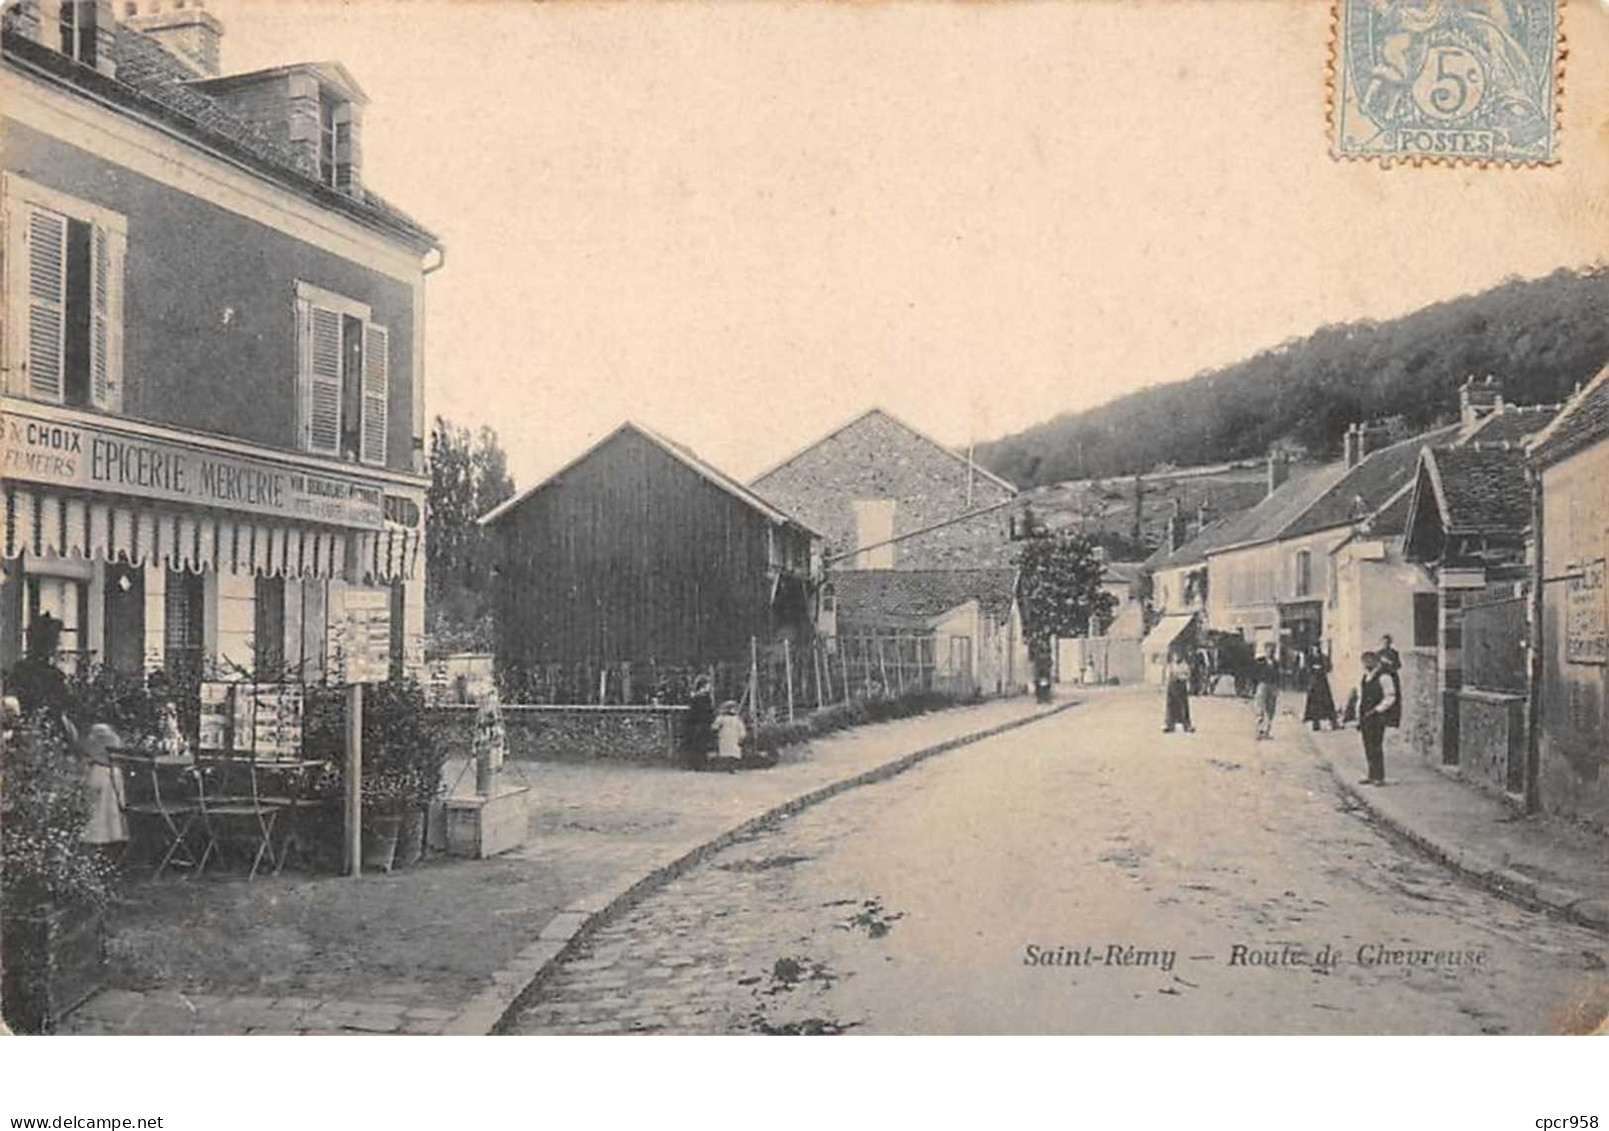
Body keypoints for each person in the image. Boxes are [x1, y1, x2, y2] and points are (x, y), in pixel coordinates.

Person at [78, 721, 129, 861]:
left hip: (99, 773)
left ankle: (99, 855)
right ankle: (103, 855)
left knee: (99, 817)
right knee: (106, 818)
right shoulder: (109, 738)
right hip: (108, 774)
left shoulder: (93, 738)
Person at [1356, 650, 1401, 785]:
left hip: (1376, 716)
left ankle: (1379, 777)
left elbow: (1390, 696)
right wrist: (1359, 712)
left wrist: (1378, 710)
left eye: (1369, 661)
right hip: (1365, 715)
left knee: (1376, 745)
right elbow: (1361, 697)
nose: (1366, 664)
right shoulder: (1366, 677)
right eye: (1364, 661)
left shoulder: (1384, 677)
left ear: (1375, 661)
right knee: (1367, 745)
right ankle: (1371, 774)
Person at [682, 675, 715, 770]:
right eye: (708, 685)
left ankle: (699, 764)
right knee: (698, 745)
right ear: (703, 686)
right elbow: (702, 711)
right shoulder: (700, 698)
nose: (709, 687)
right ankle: (697, 765)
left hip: (700, 724)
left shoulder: (701, 698)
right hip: (698, 724)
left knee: (700, 745)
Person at [1302, 646, 1339, 731]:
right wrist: (1314, 669)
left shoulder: (1323, 657)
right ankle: (1316, 723)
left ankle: (1333, 722)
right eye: (1313, 649)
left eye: (1316, 648)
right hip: (1314, 683)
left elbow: (1328, 667)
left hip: (1322, 683)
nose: (1315, 650)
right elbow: (1307, 668)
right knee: (1314, 704)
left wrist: (1321, 668)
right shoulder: (1309, 658)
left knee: (1327, 701)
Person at [1162, 646, 1195, 734]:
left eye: (1178, 655)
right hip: (1172, 685)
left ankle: (1186, 724)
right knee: (1170, 705)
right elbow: (1167, 674)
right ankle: (1170, 724)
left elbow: (1187, 674)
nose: (1176, 657)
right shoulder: (1171, 664)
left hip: (1180, 685)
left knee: (1183, 705)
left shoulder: (1184, 665)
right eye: (1175, 655)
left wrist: (1182, 677)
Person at [1251, 643, 1280, 740]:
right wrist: (1254, 688)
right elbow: (1254, 674)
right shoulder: (1260, 662)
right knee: (1259, 708)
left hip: (1272, 686)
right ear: (1265, 650)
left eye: (1272, 650)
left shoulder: (1276, 664)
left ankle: (1267, 731)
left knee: (1271, 709)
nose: (1270, 652)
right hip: (1262, 685)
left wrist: (1277, 688)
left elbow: (1278, 677)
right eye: (1268, 650)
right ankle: (1258, 731)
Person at [713, 700, 746, 769]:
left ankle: (732, 766)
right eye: (729, 708)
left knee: (734, 752)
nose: (731, 710)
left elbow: (741, 728)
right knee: (726, 752)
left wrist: (742, 736)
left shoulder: (737, 719)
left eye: (733, 708)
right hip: (725, 736)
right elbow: (715, 726)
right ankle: (727, 766)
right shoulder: (721, 718)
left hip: (734, 737)